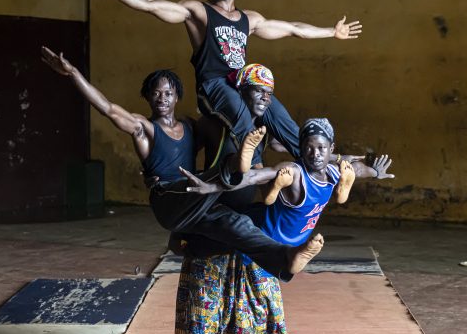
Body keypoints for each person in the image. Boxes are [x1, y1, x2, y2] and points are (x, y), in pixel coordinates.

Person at [40, 46, 322, 280]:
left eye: (168, 93)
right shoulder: (144, 129)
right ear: (148, 97)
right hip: (171, 198)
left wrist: (257, 118)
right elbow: (108, 109)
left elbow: (220, 131)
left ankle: (284, 259)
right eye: (156, 93)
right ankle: (238, 165)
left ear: (177, 97)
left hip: (200, 196)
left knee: (239, 224)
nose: (162, 99)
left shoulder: (190, 127)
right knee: (215, 176)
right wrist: (74, 74)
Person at [81, 0, 362, 164]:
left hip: (243, 84)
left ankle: (322, 158)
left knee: (278, 113)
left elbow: (292, 29)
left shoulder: (249, 19)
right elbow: (151, 5)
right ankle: (253, 170)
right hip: (214, 85)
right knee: (242, 116)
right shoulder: (199, 12)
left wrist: (330, 32)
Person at [174, 119, 394, 334]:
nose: (315, 153)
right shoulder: (291, 170)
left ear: (331, 150)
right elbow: (254, 176)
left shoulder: (337, 172)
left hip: (271, 252)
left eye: (321, 148)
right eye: (309, 148)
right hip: (248, 234)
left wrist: (375, 170)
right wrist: (212, 187)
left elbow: (360, 169)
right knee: (205, 296)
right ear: (300, 150)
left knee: (269, 307)